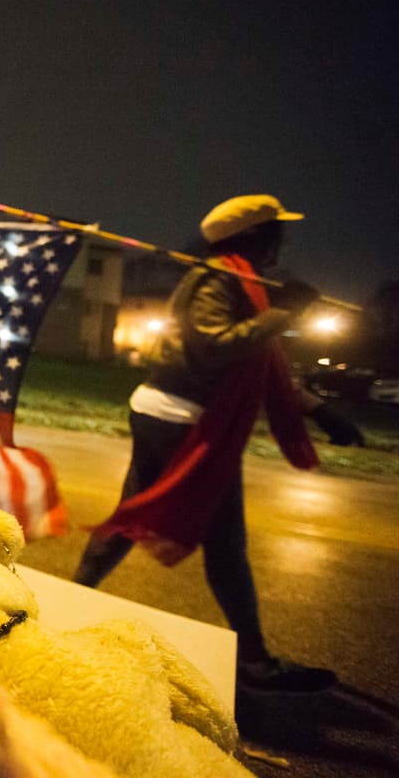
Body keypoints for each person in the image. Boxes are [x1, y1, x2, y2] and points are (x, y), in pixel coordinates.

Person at [73, 194, 361, 693]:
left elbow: (260, 360)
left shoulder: (245, 282)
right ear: (251, 236)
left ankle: (73, 598)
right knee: (227, 544)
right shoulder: (216, 278)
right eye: (276, 232)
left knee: (133, 513)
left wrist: (320, 411)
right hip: (185, 420)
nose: (282, 242)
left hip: (168, 412)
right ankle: (253, 663)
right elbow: (217, 348)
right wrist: (285, 312)